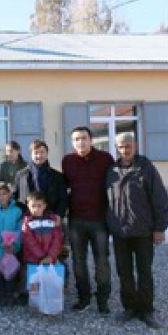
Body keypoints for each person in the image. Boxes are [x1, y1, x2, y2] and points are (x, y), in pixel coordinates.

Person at [106, 133, 168, 329]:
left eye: (128, 146)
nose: (125, 149)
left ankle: (146, 309)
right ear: (117, 148)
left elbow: (160, 199)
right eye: (121, 146)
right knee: (124, 272)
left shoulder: (146, 168)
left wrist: (159, 228)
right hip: (120, 232)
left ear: (135, 145)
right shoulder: (111, 170)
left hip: (143, 231)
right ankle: (130, 307)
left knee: (144, 272)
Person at [61, 126, 115, 313]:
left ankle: (102, 299)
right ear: (72, 142)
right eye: (76, 139)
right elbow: (64, 188)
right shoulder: (67, 161)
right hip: (76, 220)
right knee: (78, 261)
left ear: (91, 140)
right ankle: (83, 297)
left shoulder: (105, 159)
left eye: (84, 138)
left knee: (102, 261)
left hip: (99, 219)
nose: (80, 142)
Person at [0, 182, 23, 306]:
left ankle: (10, 295)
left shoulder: (17, 211)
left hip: (12, 249)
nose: (1, 197)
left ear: (9, 194)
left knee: (11, 274)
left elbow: (20, 229)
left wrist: (15, 244)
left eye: (4, 194)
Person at [13, 140, 68, 218]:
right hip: (27, 219)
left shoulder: (57, 176)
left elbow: (63, 199)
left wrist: (59, 215)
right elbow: (15, 197)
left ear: (47, 153)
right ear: (31, 154)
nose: (39, 156)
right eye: (36, 153)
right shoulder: (21, 175)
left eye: (42, 152)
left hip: (51, 218)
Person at [21, 191, 63, 266]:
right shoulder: (27, 222)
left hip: (51, 260)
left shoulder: (53, 220)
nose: (36, 209)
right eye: (33, 206)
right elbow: (30, 242)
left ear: (45, 206)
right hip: (32, 261)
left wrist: (51, 256)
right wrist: (42, 257)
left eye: (39, 206)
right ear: (28, 206)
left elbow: (57, 239)